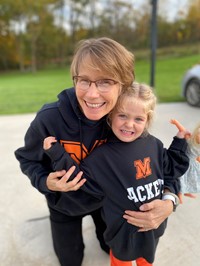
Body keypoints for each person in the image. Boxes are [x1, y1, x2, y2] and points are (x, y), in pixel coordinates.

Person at [15, 37, 181, 266]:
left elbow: (159, 164)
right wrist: (45, 182)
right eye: (84, 80)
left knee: (109, 248)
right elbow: (27, 158)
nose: (92, 95)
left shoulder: (125, 121)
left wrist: (170, 200)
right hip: (64, 205)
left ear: (122, 85)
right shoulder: (49, 119)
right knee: (70, 260)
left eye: (105, 82)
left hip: (107, 204)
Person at [43, 83, 189, 266]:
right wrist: (58, 154)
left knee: (146, 260)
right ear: (111, 116)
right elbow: (78, 179)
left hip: (153, 228)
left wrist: (180, 142)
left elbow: (171, 170)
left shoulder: (155, 146)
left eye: (138, 119)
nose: (129, 124)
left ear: (147, 119)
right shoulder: (101, 157)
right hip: (122, 234)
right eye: (122, 116)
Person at [171, 120, 200, 198]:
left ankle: (187, 191)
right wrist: (176, 123)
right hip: (184, 162)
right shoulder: (190, 139)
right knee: (181, 178)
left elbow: (198, 158)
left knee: (192, 178)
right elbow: (183, 130)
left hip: (193, 165)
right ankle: (180, 195)